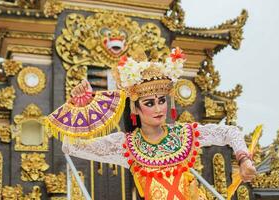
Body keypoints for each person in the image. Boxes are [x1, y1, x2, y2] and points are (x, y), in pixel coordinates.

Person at [46, 48, 256, 200]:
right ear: (136, 109)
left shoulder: (185, 134)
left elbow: (230, 132)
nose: (158, 109)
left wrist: (244, 159)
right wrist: (78, 105)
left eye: (162, 101)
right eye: (149, 103)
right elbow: (70, 146)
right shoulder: (125, 146)